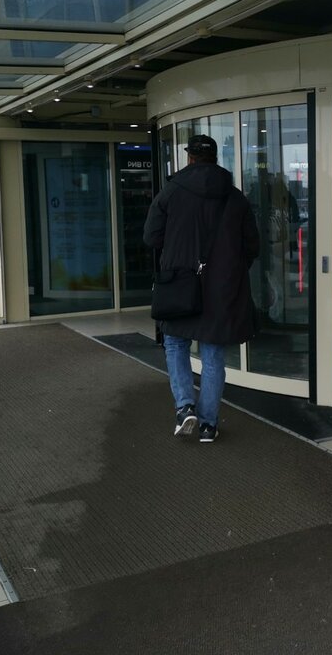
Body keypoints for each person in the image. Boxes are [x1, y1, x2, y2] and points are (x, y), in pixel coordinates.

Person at [143, 134, 260, 442]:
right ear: (215, 159)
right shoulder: (236, 197)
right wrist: (228, 272)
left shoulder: (171, 193)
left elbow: (151, 237)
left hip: (179, 285)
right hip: (222, 289)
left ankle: (185, 408)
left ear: (190, 158)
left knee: (175, 344)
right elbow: (252, 246)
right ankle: (208, 424)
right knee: (213, 355)